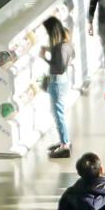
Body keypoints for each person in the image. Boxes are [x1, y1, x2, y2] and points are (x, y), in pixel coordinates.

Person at [39, 15, 74, 160]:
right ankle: (64, 141)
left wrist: (45, 58)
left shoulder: (59, 47)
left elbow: (58, 68)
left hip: (57, 82)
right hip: (63, 81)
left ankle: (64, 145)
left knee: (58, 114)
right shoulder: (66, 44)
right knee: (58, 113)